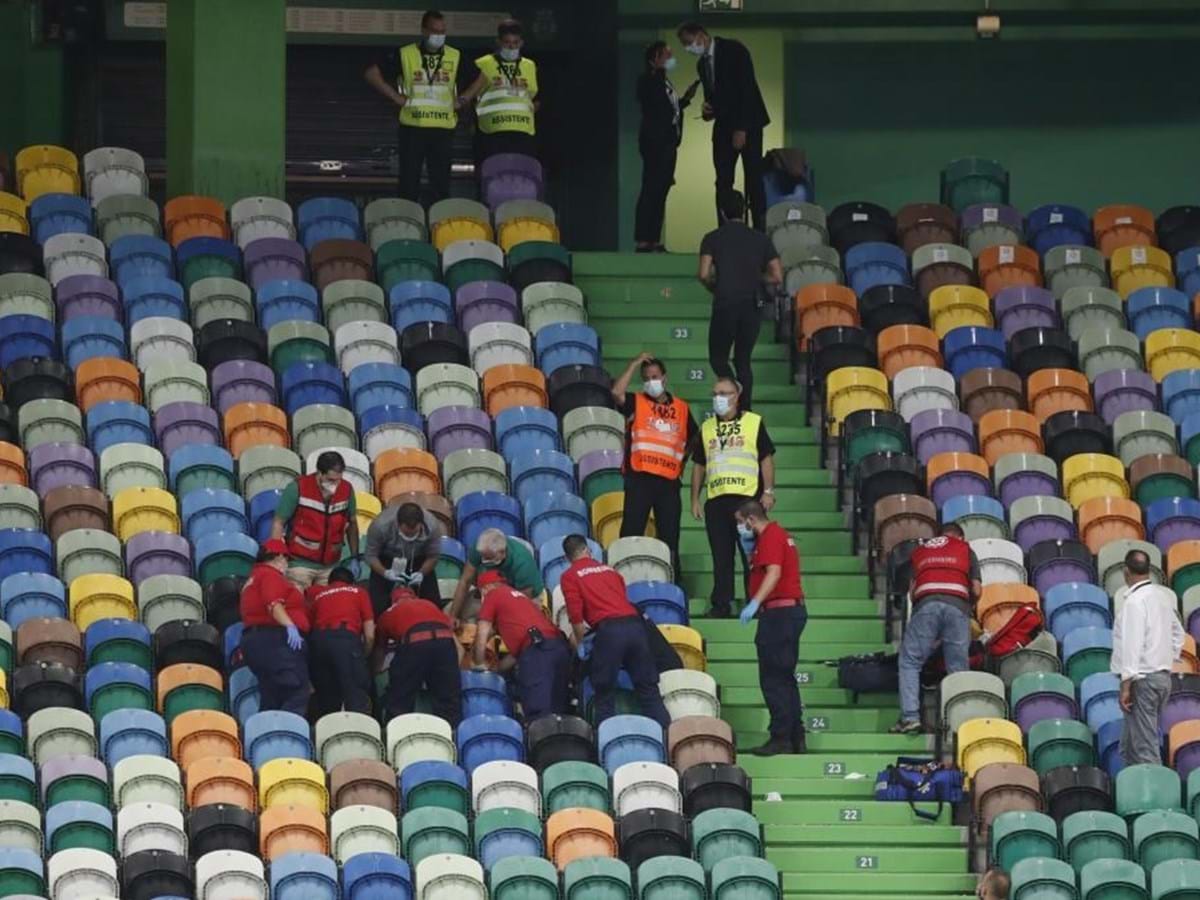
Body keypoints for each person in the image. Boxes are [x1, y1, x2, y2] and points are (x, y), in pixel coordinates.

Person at [559, 534, 671, 729]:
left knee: (604, 692)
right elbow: (620, 601)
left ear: (567, 558)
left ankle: (606, 741)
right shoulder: (611, 571)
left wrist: (580, 644)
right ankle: (665, 739)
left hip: (610, 631)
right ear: (588, 550)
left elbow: (576, 616)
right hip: (636, 627)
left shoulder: (569, 576)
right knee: (648, 689)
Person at [690, 377, 777, 618]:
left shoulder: (753, 422)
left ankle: (756, 602)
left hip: (747, 501)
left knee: (752, 556)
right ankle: (721, 604)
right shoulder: (706, 427)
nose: (719, 397)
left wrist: (768, 491)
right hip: (716, 500)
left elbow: (766, 458)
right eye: (715, 392)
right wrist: (694, 499)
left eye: (724, 393)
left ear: (737, 396)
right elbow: (699, 464)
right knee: (721, 557)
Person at [612, 352, 699, 579]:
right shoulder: (636, 401)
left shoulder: (681, 408)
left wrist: (682, 460)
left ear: (665, 378)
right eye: (647, 378)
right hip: (639, 478)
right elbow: (616, 392)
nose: (652, 381)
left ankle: (672, 584)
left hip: (669, 482)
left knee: (669, 537)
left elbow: (695, 438)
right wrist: (634, 363)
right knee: (631, 533)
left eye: (655, 376)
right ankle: (623, 579)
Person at [676, 21, 770, 230]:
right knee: (722, 180)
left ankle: (759, 232)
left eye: (688, 42)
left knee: (754, 178)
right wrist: (709, 111)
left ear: (701, 35)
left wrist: (742, 128)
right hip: (723, 126)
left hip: (749, 123)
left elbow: (746, 89)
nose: (687, 48)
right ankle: (725, 230)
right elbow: (716, 97)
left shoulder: (734, 50)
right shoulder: (702, 65)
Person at [892, 523, 982, 734]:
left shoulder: (921, 550)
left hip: (926, 604)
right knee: (957, 668)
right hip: (957, 606)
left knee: (910, 661)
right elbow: (976, 589)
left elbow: (912, 591)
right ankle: (958, 724)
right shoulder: (966, 550)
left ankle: (910, 717)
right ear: (960, 536)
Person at [698, 189, 783, 411]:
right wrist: (756, 277)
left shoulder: (712, 238)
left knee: (718, 358)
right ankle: (745, 408)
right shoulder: (760, 239)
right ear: (744, 211)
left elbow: (704, 273)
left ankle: (732, 391)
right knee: (743, 360)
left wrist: (715, 287)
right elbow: (776, 275)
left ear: (722, 212)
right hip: (752, 304)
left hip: (725, 302)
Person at [363, 10, 461, 203]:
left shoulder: (455, 55)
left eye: (442, 31)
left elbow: (482, 77)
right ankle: (407, 220)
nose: (439, 36)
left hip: (443, 128)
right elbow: (371, 74)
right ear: (424, 31)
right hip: (413, 127)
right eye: (434, 31)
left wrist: (464, 99)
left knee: (441, 184)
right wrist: (395, 97)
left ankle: (438, 225)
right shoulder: (406, 54)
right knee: (409, 182)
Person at [736, 499, 806, 755]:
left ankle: (781, 738)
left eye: (740, 522)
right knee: (785, 678)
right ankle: (795, 736)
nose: (739, 528)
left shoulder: (771, 537)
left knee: (773, 679)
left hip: (779, 614)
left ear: (750, 520)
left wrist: (754, 603)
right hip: (788, 613)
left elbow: (773, 573)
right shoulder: (776, 536)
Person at [1112, 547, 1185, 765]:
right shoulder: (1162, 597)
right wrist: (1163, 657)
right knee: (1130, 745)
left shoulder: (1134, 602)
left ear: (1126, 571)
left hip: (1142, 680)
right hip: (1162, 677)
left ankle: (1157, 797)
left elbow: (1132, 644)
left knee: (1144, 747)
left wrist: (1126, 685)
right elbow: (1178, 634)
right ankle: (1134, 790)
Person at [473, 571, 571, 720]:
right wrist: (497, 669)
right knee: (558, 712)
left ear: (485, 588)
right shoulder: (520, 600)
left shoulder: (493, 594)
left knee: (539, 712)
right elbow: (520, 652)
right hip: (557, 648)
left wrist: (479, 663)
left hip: (538, 652)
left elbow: (482, 631)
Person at [634, 40, 699, 252]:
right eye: (666, 56)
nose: (671, 60)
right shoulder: (648, 81)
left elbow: (670, 109)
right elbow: (656, 110)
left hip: (669, 143)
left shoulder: (664, 82)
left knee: (661, 190)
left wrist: (685, 100)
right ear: (654, 59)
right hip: (655, 143)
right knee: (651, 189)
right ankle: (644, 239)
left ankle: (653, 238)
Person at [239, 539, 311, 716]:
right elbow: (273, 604)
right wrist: (290, 626)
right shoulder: (270, 575)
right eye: (287, 559)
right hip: (275, 640)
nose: (287, 565)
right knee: (297, 690)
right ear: (279, 557)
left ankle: (266, 734)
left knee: (272, 696)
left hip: (256, 641)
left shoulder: (252, 579)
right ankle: (287, 737)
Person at [271, 450, 360, 590]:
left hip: (331, 566)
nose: (335, 485)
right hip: (299, 565)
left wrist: (355, 557)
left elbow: (352, 523)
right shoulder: (298, 488)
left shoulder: (347, 489)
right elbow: (278, 522)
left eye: (338, 479)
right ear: (319, 473)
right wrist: (277, 557)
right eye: (331, 480)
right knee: (297, 607)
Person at [376, 585, 462, 725]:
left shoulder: (388, 613)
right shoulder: (430, 604)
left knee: (399, 700)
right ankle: (450, 739)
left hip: (414, 643)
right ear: (414, 597)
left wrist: (374, 673)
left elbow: (379, 651)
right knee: (449, 703)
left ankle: (395, 738)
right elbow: (456, 645)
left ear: (393, 601)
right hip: (445, 643)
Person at [459, 18, 539, 167]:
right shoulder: (483, 64)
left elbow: (536, 98)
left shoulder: (529, 66)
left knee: (520, 178)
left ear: (521, 43)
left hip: (522, 133)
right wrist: (469, 122)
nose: (511, 47)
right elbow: (468, 97)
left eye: (515, 43)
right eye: (507, 42)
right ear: (499, 42)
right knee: (491, 176)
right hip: (491, 133)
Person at [306, 566, 376, 717]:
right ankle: (358, 734)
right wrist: (364, 655)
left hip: (318, 642)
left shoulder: (319, 596)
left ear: (329, 582)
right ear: (351, 582)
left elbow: (309, 628)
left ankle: (327, 735)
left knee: (326, 696)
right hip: (345, 639)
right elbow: (369, 634)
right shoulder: (358, 592)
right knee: (355, 693)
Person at [449, 528, 545, 624]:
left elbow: (522, 600)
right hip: (492, 590)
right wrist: (453, 616)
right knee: (464, 616)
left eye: (488, 558)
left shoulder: (522, 562)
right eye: (482, 556)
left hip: (523, 596)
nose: (483, 560)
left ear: (502, 552)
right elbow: (465, 581)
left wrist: (493, 617)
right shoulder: (481, 549)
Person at [364, 500, 443, 613]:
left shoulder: (432, 526)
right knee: (377, 607)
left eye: (414, 533)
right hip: (387, 558)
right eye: (406, 533)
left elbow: (433, 556)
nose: (410, 537)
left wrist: (421, 573)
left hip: (419, 558)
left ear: (421, 524)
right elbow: (371, 556)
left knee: (433, 604)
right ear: (398, 524)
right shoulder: (380, 526)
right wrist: (385, 573)